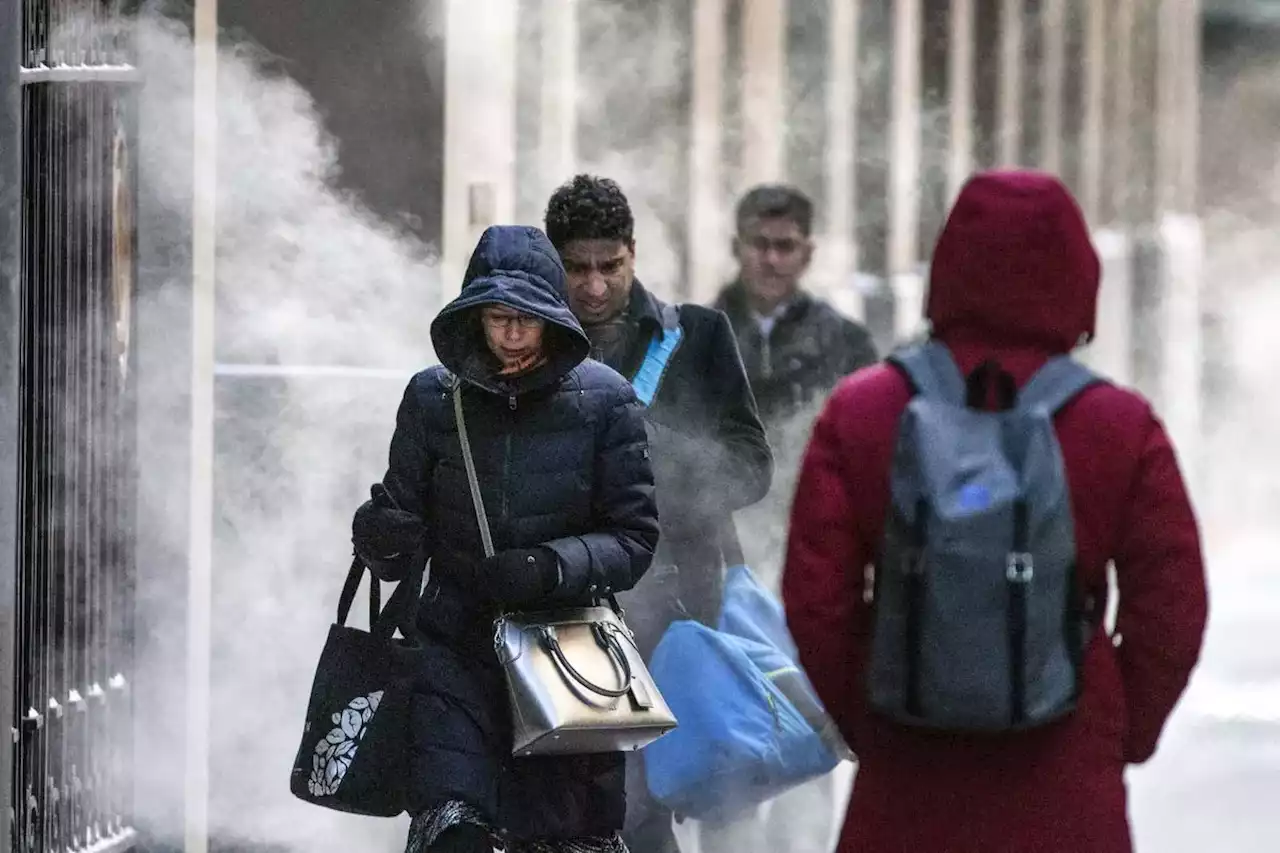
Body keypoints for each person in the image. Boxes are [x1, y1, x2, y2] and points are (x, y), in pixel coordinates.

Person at [783, 170, 1209, 853]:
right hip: (1067, 786)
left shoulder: (863, 411)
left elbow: (815, 598)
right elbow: (1173, 606)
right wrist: (1118, 726)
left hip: (906, 789)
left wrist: (875, 710)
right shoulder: (1121, 427)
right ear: (1078, 274)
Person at [351, 224, 660, 853]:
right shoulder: (434, 399)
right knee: (453, 833)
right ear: (475, 318)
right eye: (497, 318)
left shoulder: (607, 402)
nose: (512, 336)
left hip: (569, 665)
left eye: (527, 318)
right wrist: (381, 536)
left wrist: (549, 567)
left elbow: (634, 538)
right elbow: (395, 531)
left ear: (553, 320)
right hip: (454, 658)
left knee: (560, 835)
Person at [543, 174, 774, 853]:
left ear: (633, 254)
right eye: (576, 268)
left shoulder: (696, 336)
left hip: (683, 617)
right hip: (577, 620)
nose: (592, 286)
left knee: (713, 802)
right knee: (618, 812)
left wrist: (651, 446)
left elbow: (752, 467)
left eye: (608, 266)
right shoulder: (536, 349)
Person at [713, 183, 877, 429]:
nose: (771, 259)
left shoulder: (847, 345)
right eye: (759, 244)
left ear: (807, 254)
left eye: (785, 246)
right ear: (736, 248)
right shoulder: (694, 339)